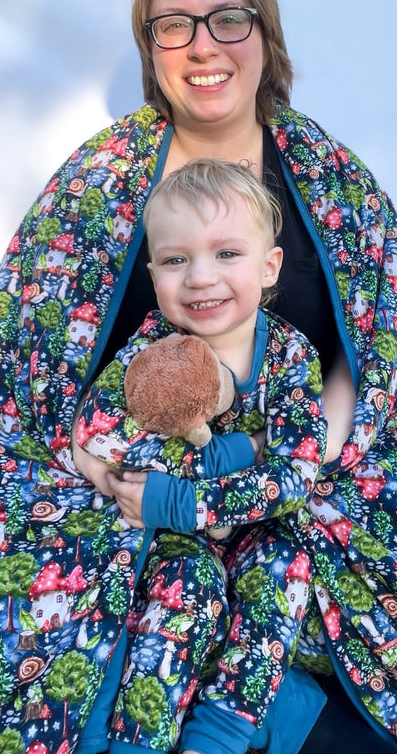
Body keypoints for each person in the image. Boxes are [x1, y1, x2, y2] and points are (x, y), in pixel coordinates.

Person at [0, 0, 397, 754]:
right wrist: (114, 477)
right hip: (141, 460)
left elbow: (378, 344)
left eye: (226, 19)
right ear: (151, 49)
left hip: (309, 441)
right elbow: (24, 348)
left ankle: (294, 704)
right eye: (173, 26)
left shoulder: (331, 175)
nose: (202, 45)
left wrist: (304, 453)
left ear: (263, 35)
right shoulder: (101, 178)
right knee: (24, 552)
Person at [71, 158, 328, 754]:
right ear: (153, 274)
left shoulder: (290, 357)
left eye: (227, 254)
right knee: (186, 589)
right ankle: (137, 737)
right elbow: (98, 436)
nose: (200, 278)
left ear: (269, 267)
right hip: (171, 537)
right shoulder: (153, 347)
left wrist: (188, 499)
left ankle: (219, 733)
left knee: (285, 571)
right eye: (176, 260)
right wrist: (241, 452)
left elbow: (297, 472)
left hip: (257, 528)